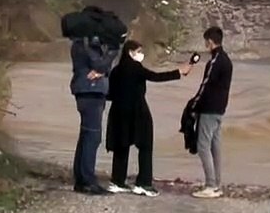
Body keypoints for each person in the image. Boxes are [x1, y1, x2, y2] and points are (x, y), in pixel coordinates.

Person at [105, 40, 192, 196]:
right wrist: (178, 72)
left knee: (121, 146)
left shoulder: (116, 70)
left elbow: (109, 94)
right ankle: (143, 183)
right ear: (130, 52)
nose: (141, 54)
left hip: (118, 112)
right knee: (145, 145)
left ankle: (117, 181)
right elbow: (155, 77)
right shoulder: (136, 68)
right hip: (138, 111)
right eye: (138, 51)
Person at [70, 35, 120, 195]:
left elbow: (102, 68)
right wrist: (113, 51)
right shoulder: (87, 44)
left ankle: (81, 178)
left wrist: (102, 70)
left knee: (86, 135)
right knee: (93, 136)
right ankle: (87, 181)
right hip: (90, 92)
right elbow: (100, 64)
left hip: (88, 91)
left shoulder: (80, 43)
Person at [190, 26, 233, 198]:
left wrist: (194, 105)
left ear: (209, 41)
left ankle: (210, 185)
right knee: (215, 146)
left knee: (203, 146)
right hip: (220, 108)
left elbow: (205, 85)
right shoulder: (227, 60)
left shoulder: (215, 61)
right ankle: (217, 184)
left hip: (209, 108)